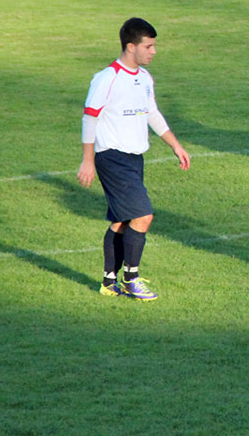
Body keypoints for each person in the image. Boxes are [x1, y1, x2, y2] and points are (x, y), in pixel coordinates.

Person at [77, 17, 191, 299]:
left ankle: (108, 281)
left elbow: (151, 113)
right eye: (148, 46)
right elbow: (90, 118)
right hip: (112, 157)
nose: (153, 52)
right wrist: (87, 160)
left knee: (123, 220)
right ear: (131, 47)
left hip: (134, 158)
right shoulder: (106, 79)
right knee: (143, 215)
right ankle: (131, 278)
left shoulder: (144, 78)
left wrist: (175, 145)